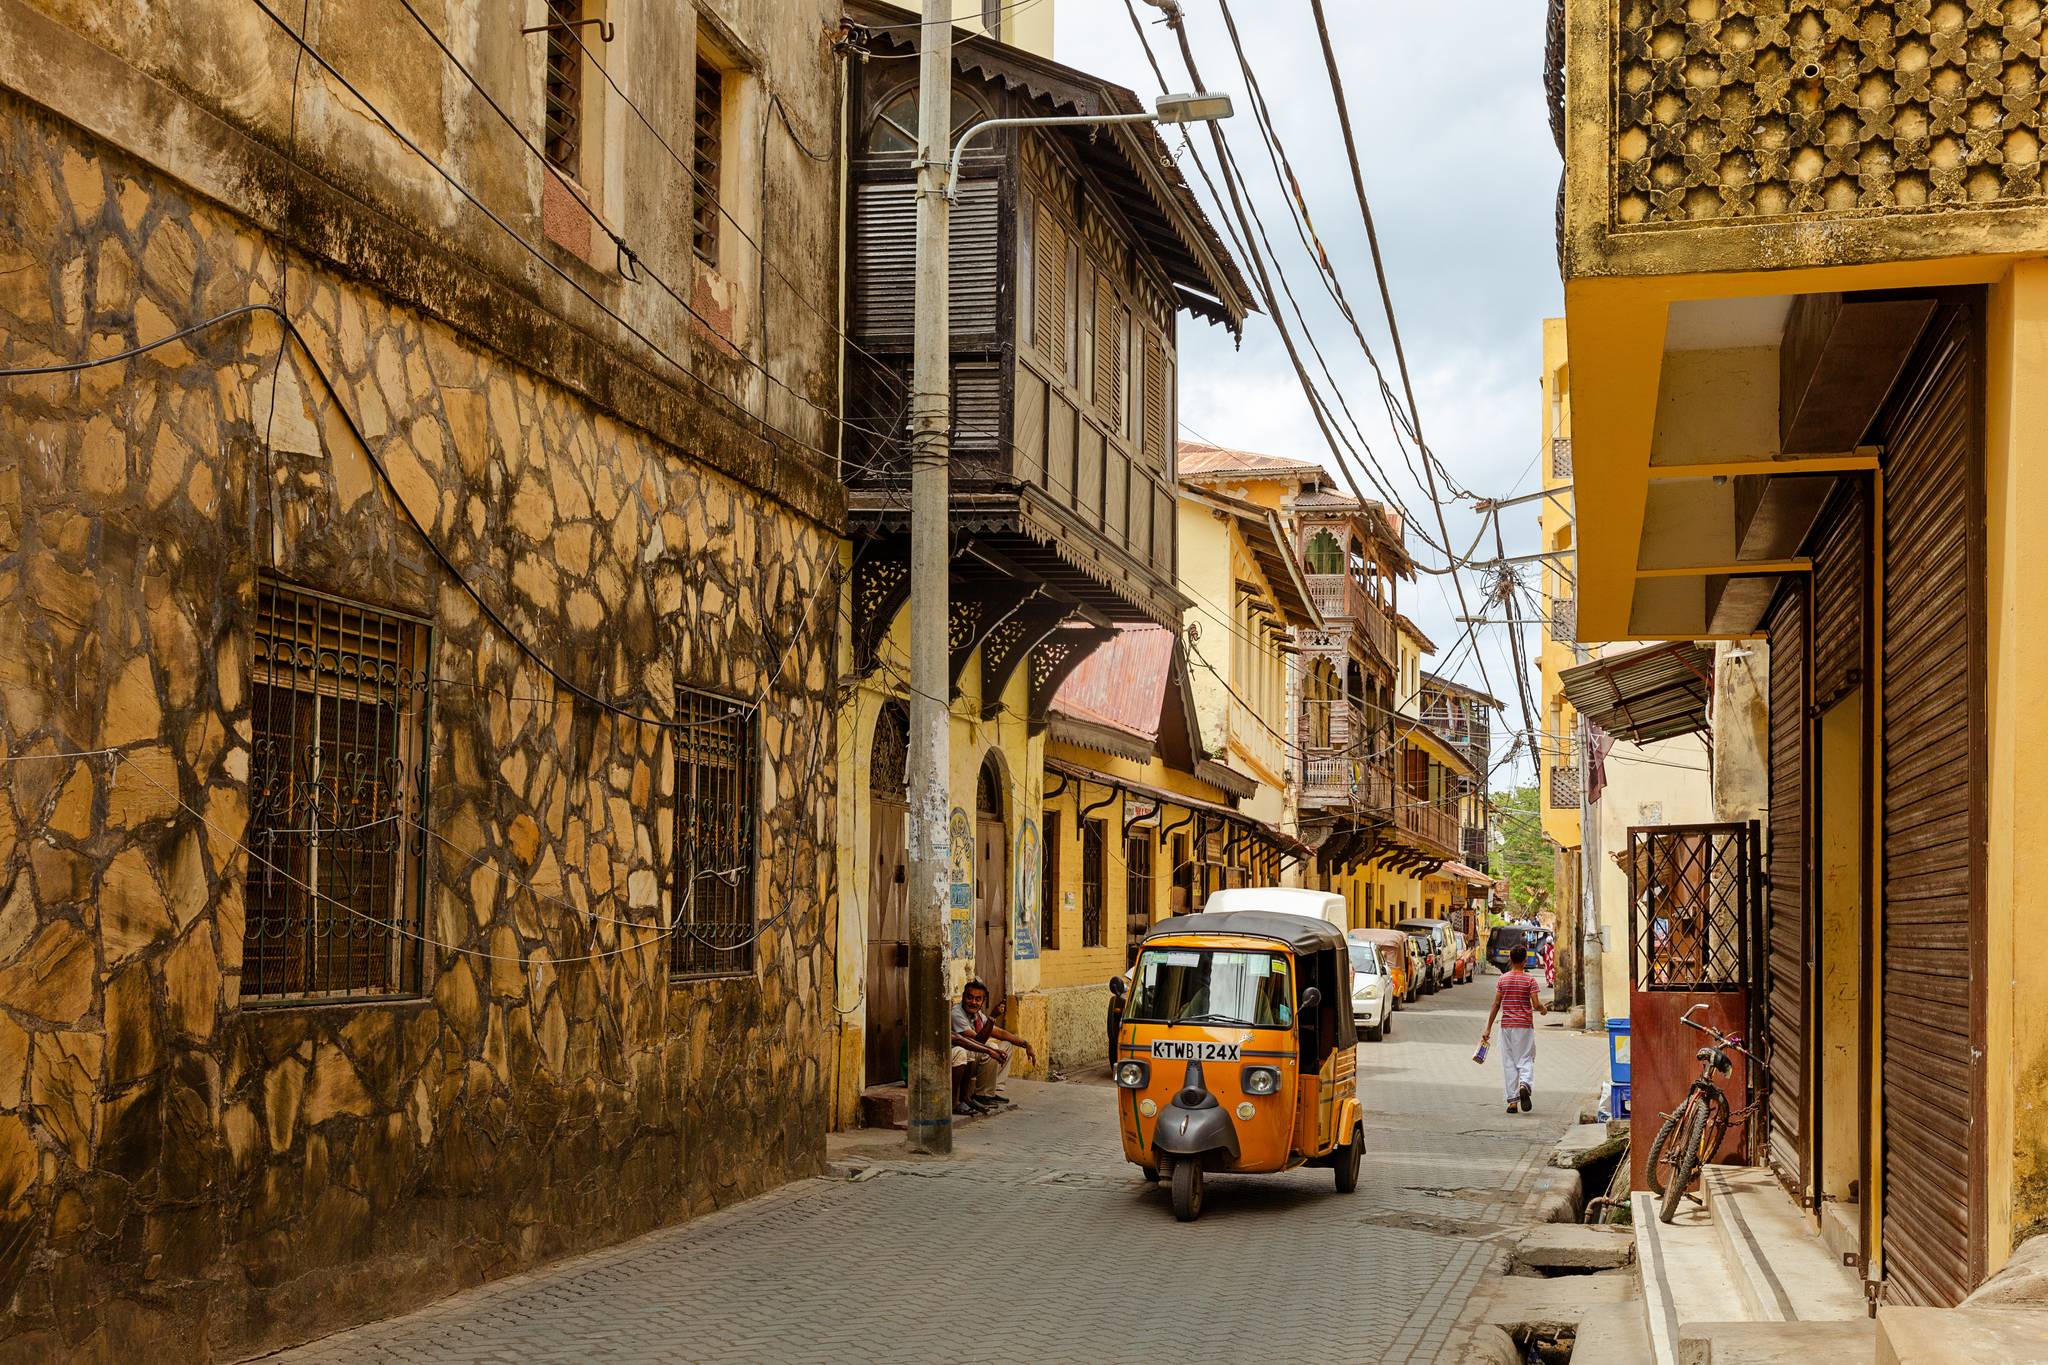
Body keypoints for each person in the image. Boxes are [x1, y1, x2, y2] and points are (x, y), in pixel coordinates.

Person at [1478, 944, 1547, 1115]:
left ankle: (1512, 1103)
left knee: (1508, 1062)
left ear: (1510, 959)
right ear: (1525, 961)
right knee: (1525, 1058)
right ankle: (1524, 1084)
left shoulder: (1503, 980)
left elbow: (1496, 1004)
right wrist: (1543, 1009)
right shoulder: (1529, 980)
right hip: (1524, 1026)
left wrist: (1487, 1028)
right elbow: (1536, 1004)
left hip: (1506, 1026)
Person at [951, 980, 1036, 1116]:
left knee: (1006, 1045)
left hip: (969, 1056)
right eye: (969, 997)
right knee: (991, 1046)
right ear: (963, 997)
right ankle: (981, 1094)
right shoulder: (956, 1013)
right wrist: (992, 1017)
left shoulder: (977, 1014)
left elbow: (1000, 1033)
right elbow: (978, 1041)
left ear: (983, 1001)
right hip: (960, 1061)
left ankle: (991, 1090)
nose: (973, 1002)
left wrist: (1025, 1044)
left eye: (978, 999)